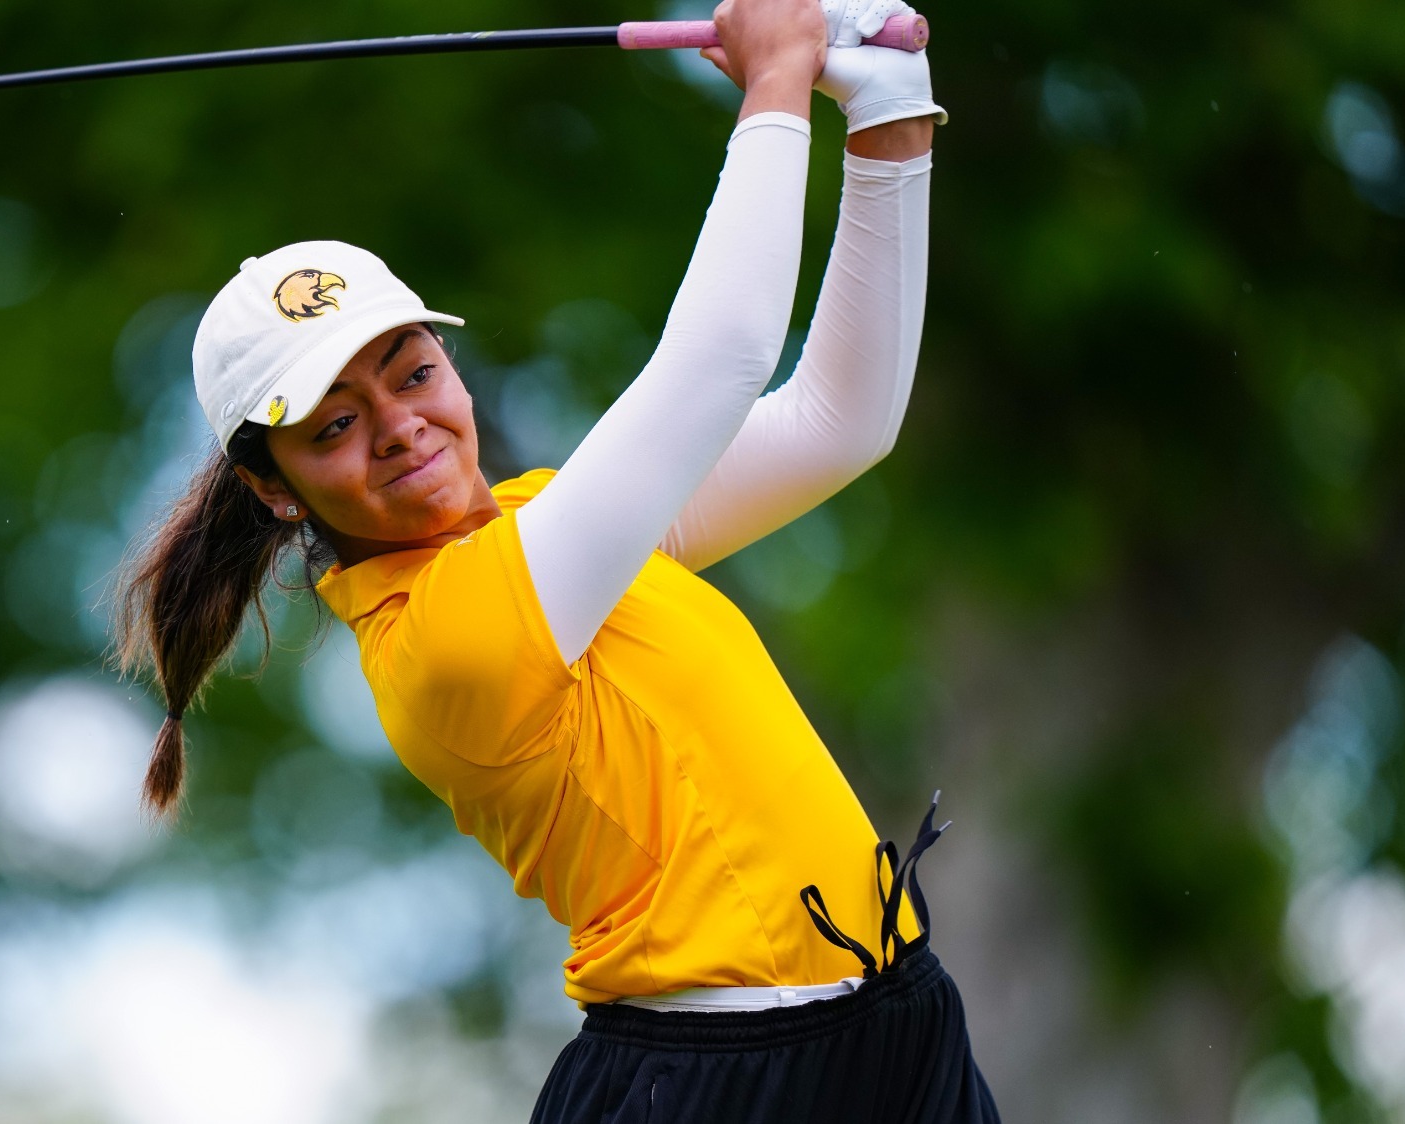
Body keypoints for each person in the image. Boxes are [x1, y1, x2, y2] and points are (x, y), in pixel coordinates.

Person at [116, 0, 998, 1116]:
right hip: (716, 1085)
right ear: (273, 488)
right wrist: (772, 88)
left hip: (897, 1023)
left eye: (410, 369)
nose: (397, 424)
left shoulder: (540, 525)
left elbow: (839, 418)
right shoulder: (446, 642)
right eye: (332, 424)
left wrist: (882, 114)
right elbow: (716, 360)